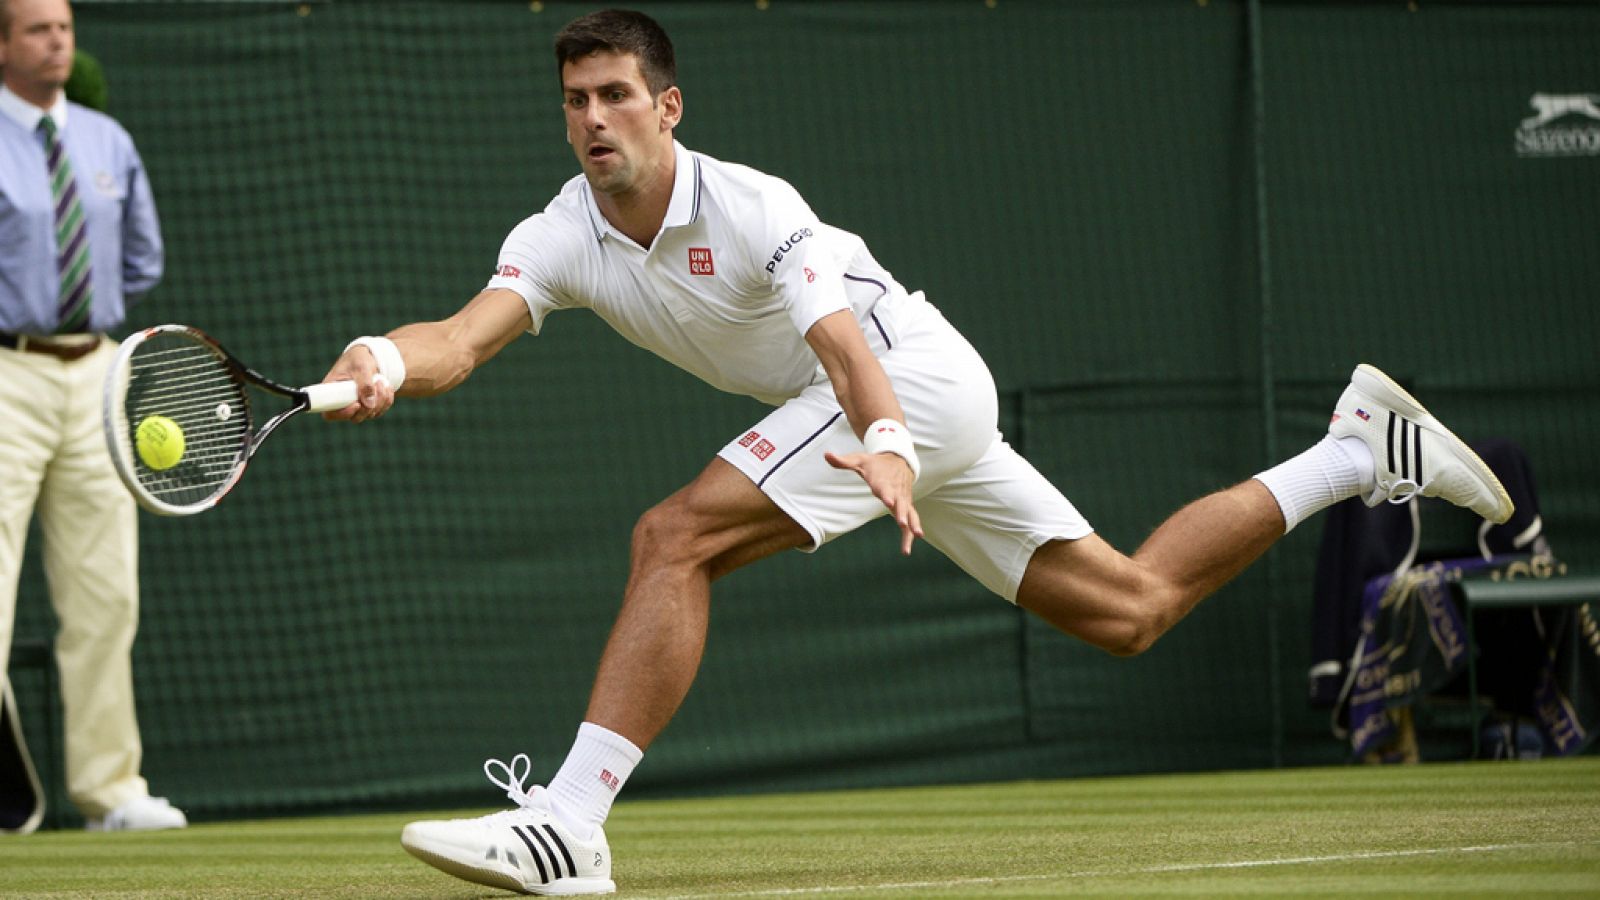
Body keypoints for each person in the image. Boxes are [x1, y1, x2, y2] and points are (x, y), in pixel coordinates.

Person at [321, 9, 1512, 894]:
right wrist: (383, 353)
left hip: (916, 383)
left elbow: (841, 345)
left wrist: (888, 440)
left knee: (671, 536)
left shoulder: (753, 206)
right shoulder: (560, 232)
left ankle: (570, 826)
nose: (593, 119)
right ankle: (1354, 450)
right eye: (576, 99)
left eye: (617, 95)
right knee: (1131, 606)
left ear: (667, 106)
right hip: (883, 421)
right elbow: (461, 339)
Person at [0, 0, 185, 832]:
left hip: (99, 373)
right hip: (6, 368)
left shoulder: (108, 140)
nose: (59, 39)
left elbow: (141, 257)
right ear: (2, 45)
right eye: (38, 28)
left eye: (65, 26)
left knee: (107, 593)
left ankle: (112, 792)